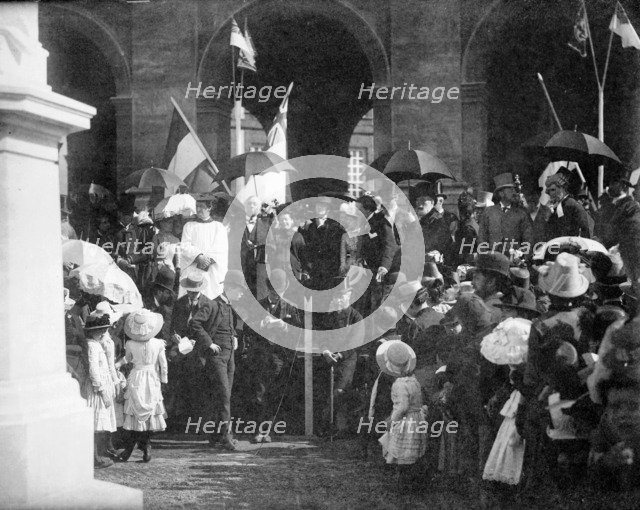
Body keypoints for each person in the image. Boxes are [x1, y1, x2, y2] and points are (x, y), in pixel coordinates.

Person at [190, 269, 244, 450]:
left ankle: (216, 436)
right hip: (217, 357)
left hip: (230, 357)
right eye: (239, 289)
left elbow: (229, 326)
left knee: (223, 396)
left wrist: (234, 335)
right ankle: (226, 437)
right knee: (224, 396)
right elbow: (195, 323)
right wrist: (209, 343)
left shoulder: (230, 306)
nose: (241, 293)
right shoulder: (212, 305)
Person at [377, 340, 427, 486]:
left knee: (403, 452)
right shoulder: (413, 381)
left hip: (406, 421)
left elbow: (403, 406)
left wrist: (391, 420)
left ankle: (404, 482)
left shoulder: (399, 384)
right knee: (412, 452)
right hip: (417, 419)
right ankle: (413, 481)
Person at [81, 314, 118, 469]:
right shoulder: (92, 346)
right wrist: (101, 390)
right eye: (100, 330)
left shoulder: (96, 344)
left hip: (102, 384)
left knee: (99, 422)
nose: (103, 333)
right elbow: (94, 370)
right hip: (96, 389)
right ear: (91, 331)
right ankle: (94, 457)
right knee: (95, 422)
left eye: (104, 330)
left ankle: (97, 455)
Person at [179, 195, 228, 300]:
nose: (198, 209)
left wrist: (206, 262)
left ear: (209, 207)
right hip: (193, 267)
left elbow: (221, 249)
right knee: (192, 295)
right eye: (197, 206)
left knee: (210, 296)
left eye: (201, 206)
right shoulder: (189, 226)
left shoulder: (218, 227)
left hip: (211, 269)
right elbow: (185, 246)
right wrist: (198, 256)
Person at [604, 175, 640, 313]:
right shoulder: (622, 206)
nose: (610, 186)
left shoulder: (631, 207)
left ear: (623, 186)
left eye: (614, 182)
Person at [478, 173, 532, 255]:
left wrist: (521, 256)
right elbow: (482, 238)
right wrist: (484, 257)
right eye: (510, 189)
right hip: (492, 261)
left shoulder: (521, 214)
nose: (514, 192)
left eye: (514, 189)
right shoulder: (488, 212)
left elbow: (528, 240)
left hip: (514, 262)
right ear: (501, 193)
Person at [544, 168, 592, 240]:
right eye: (549, 191)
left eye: (553, 190)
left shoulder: (572, 204)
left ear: (563, 188)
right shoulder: (554, 208)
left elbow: (586, 229)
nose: (551, 194)